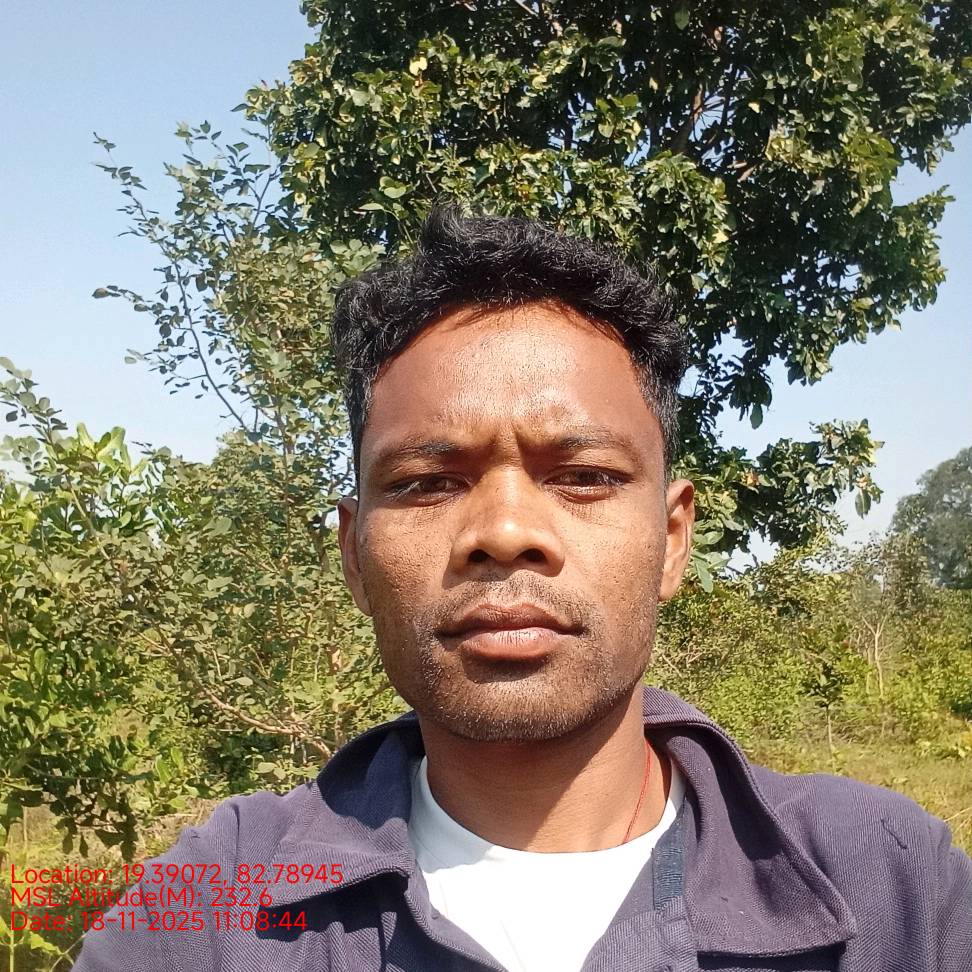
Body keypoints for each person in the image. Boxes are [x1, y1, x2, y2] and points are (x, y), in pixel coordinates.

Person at [72, 204, 972, 972]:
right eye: (428, 482)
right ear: (354, 555)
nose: (505, 532)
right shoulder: (216, 909)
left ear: (671, 541)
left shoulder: (892, 887)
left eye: (583, 476)